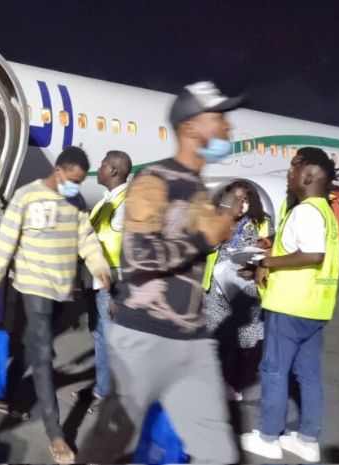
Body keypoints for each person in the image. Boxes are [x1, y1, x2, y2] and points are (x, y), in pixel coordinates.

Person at [79, 81, 244, 463]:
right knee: (107, 443)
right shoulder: (154, 180)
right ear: (190, 128)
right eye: (218, 117)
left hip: (193, 340)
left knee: (218, 453)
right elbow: (138, 257)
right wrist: (204, 236)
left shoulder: (197, 187)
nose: (228, 127)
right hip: (146, 337)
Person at [0, 146, 111, 464]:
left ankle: (2, 394)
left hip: (61, 292)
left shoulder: (76, 202)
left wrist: (99, 265)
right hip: (33, 288)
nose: (75, 186)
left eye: (80, 181)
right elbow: (4, 243)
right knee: (42, 358)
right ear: (58, 171)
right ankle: (56, 433)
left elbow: (86, 238)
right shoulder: (26, 197)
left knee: (31, 347)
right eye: (73, 180)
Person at [240, 148, 339, 463]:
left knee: (274, 370)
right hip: (316, 306)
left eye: (293, 170)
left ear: (308, 177)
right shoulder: (327, 212)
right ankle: (308, 440)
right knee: (308, 374)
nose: (288, 174)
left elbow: (312, 254)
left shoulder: (306, 211)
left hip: (290, 305)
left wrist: (265, 262)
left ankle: (268, 437)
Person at [201, 180, 271, 401]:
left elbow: (271, 248)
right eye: (234, 198)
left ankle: (237, 384)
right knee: (219, 338)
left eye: (244, 199)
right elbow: (205, 245)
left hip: (245, 290)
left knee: (245, 340)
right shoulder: (216, 219)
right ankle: (218, 381)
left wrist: (258, 262)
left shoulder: (261, 222)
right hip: (217, 288)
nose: (240, 203)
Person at [83, 150, 132, 414]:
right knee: (101, 337)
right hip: (97, 280)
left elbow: (133, 250)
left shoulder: (125, 204)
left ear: (113, 170)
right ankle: (102, 389)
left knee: (114, 343)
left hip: (113, 283)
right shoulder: (106, 201)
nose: (99, 169)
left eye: (103, 165)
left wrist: (117, 292)